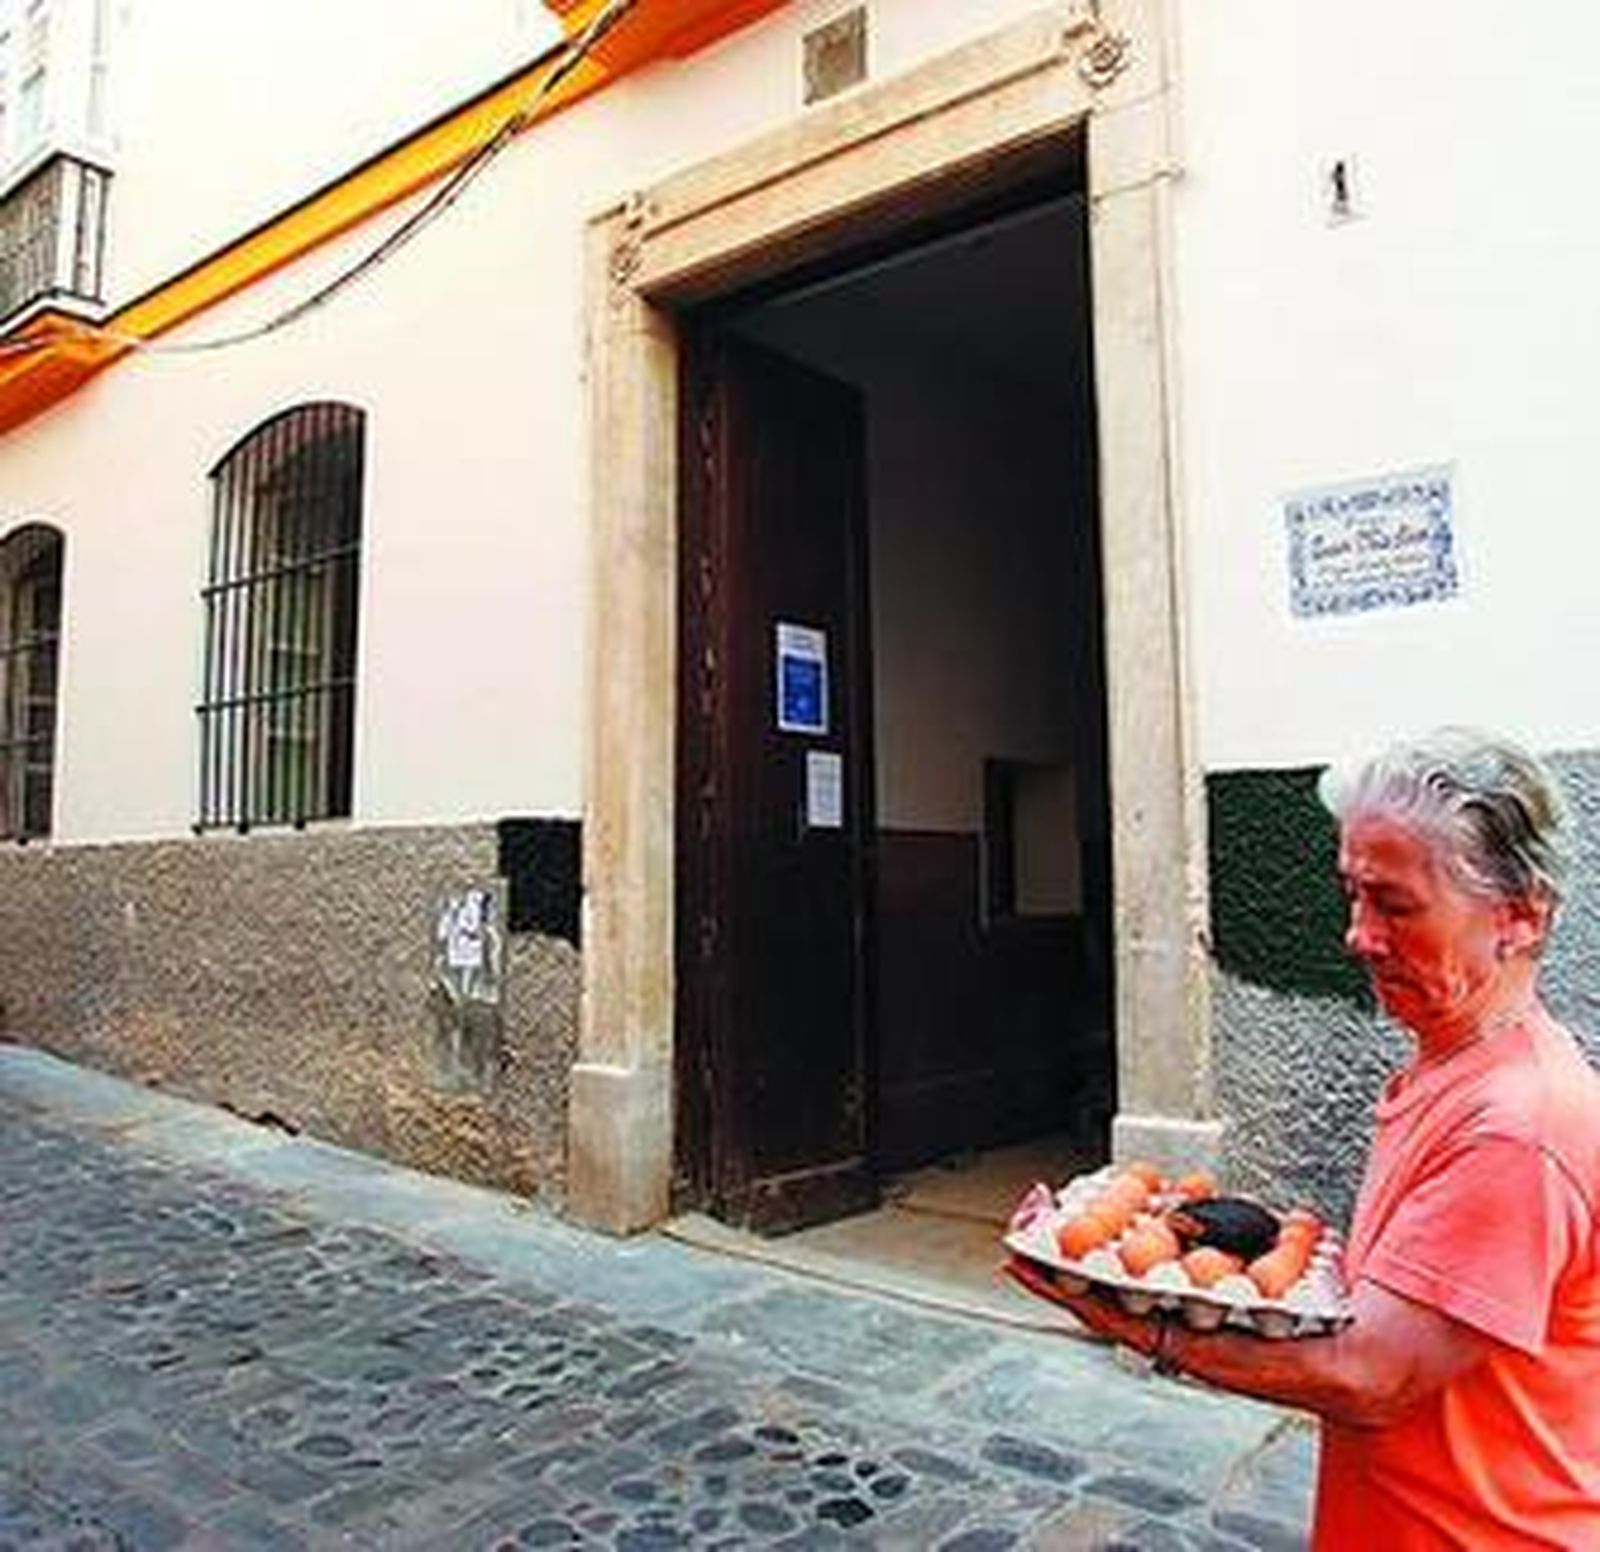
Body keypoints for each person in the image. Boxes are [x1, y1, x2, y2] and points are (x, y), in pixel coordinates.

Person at [1055, 728, 1600, 1549]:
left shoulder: (1518, 1126)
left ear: (1520, 916)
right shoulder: (1447, 1070)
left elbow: (1373, 1376)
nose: (1358, 935)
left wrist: (1147, 1328)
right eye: (1354, 894)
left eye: (1395, 905)